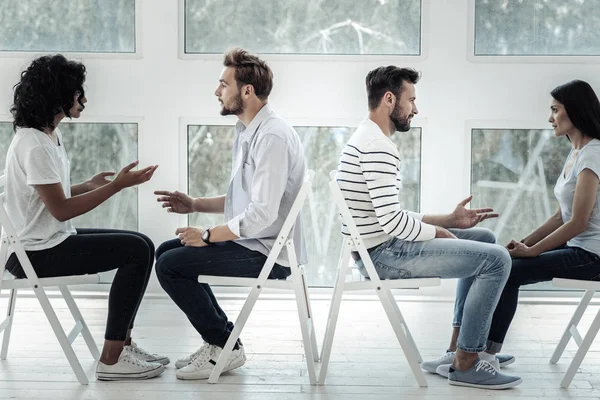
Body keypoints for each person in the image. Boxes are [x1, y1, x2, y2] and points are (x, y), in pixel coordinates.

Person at [336, 65, 521, 389]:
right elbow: (392, 223)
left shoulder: (364, 137)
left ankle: (456, 349)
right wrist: (438, 232)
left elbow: (387, 214)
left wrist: (447, 221)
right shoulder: (378, 146)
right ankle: (467, 362)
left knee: (485, 238)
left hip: (377, 247)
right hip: (384, 255)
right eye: (412, 99)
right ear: (390, 99)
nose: (416, 109)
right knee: (497, 259)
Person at [4, 54, 166, 381]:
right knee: (136, 251)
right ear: (59, 94)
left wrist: (86, 186)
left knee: (142, 244)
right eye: (78, 92)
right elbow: (61, 209)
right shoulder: (34, 144)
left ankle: (122, 346)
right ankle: (111, 358)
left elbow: (47, 196)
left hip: (48, 241)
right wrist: (117, 187)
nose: (84, 99)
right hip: (34, 254)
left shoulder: (46, 135)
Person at [154, 48, 306, 380]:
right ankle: (222, 343)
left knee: (170, 265)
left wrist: (207, 235)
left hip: (268, 253)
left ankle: (223, 346)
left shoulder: (272, 137)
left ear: (247, 91)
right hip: (256, 242)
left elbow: (262, 214)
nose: (217, 90)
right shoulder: (249, 131)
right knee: (166, 251)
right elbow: (246, 201)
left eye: (223, 84)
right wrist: (194, 204)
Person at [436, 79, 600, 374]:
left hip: (591, 256)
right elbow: (559, 216)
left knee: (508, 272)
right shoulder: (576, 152)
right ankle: (466, 349)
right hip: (578, 246)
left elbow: (578, 222)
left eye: (555, 110)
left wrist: (532, 251)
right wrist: (523, 244)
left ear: (574, 111)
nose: (550, 118)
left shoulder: (593, 156)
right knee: (501, 258)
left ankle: (484, 353)